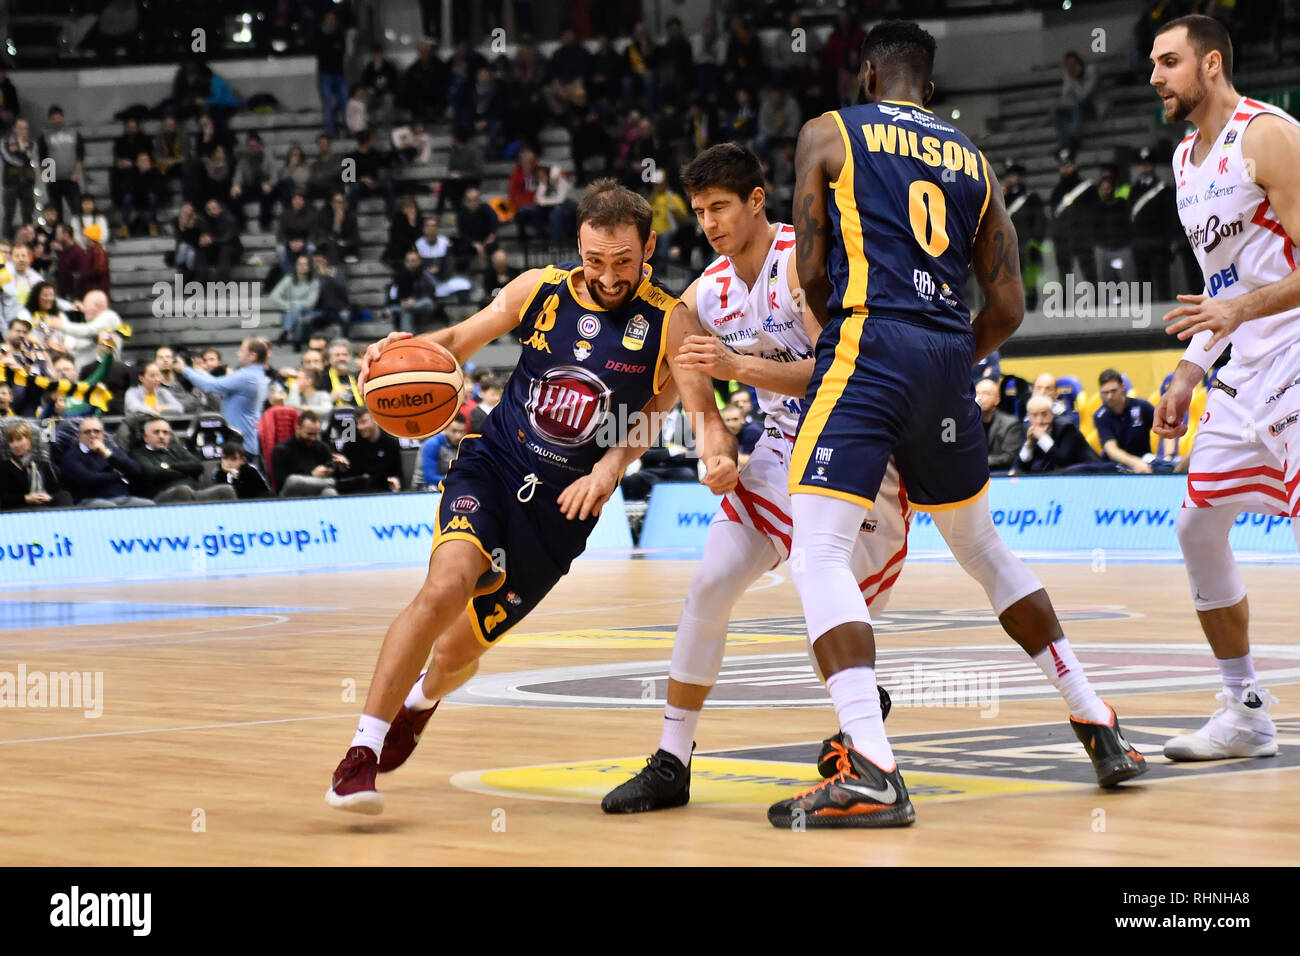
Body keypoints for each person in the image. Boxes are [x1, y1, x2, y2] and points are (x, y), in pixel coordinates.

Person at [767, 20, 1146, 831]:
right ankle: (1097, 721)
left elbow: (807, 265)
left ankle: (870, 765)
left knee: (819, 552)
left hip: (869, 341)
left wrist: (870, 346)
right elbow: (1008, 305)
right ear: (929, 90)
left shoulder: (829, 131)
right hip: (948, 356)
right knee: (983, 549)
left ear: (868, 75)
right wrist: (943, 356)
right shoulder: (973, 159)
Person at [326, 178, 740, 814]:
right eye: (595, 259)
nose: (607, 275)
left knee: (458, 651)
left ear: (648, 246)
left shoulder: (670, 318)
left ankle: (422, 700)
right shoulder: (540, 290)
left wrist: (632, 468)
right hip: (492, 463)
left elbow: (688, 409)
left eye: (623, 262)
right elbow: (458, 342)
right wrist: (399, 351)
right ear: (579, 244)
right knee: (446, 586)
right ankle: (361, 752)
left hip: (561, 510)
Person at [603, 143, 920, 814]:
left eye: (722, 207)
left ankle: (863, 735)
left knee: (830, 613)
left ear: (756, 200)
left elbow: (840, 372)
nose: (711, 224)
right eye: (699, 212)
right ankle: (672, 760)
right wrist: (709, 429)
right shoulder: (713, 286)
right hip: (779, 449)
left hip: (854, 443)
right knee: (711, 582)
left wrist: (736, 369)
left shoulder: (803, 262)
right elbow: (677, 320)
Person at [1150, 14, 1300, 761]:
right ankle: (1244, 710)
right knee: (1195, 526)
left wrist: (1238, 309)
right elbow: (1221, 286)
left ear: (1211, 65)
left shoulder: (1267, 135)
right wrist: (1186, 373)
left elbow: (1243, 295)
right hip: (1244, 372)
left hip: (1299, 356)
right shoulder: (1185, 161)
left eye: (1169, 62)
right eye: (1152, 62)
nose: (1155, 76)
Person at [176, 338, 269, 458]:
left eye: (242, 350)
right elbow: (215, 382)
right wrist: (198, 371)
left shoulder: (246, 376)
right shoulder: (256, 375)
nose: (238, 353)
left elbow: (211, 386)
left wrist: (185, 370)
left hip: (240, 446)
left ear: (252, 355)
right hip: (243, 443)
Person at [131, 417, 236, 503]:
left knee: (226, 490)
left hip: (195, 493)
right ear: (145, 436)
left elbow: (197, 466)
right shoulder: (138, 454)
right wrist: (186, 472)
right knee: (183, 490)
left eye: (165, 433)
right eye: (156, 432)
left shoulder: (177, 449)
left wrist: (170, 466)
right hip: (159, 498)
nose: (161, 436)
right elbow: (153, 474)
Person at [59, 416, 153, 507]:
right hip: (90, 500)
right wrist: (119, 475)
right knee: (110, 508)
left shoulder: (111, 449)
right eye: (87, 432)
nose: (93, 435)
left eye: (97, 431)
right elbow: (90, 479)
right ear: (80, 436)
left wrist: (107, 454)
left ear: (102, 434)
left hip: (122, 498)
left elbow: (135, 469)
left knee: (149, 505)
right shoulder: (71, 456)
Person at [1129, 145, 1182, 302]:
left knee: (1162, 282)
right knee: (1143, 283)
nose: (1145, 167)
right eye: (1142, 164)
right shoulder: (1134, 190)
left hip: (1159, 243)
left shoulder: (1164, 189)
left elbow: (1170, 217)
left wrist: (1171, 240)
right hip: (1140, 243)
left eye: (1148, 163)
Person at [1014, 394, 1100, 474]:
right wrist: (1029, 445)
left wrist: (1042, 438)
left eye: (1044, 414)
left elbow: (1062, 460)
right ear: (1029, 417)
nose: (1040, 420)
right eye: (1035, 415)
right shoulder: (1028, 429)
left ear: (1052, 414)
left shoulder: (1066, 427)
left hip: (1088, 472)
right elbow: (1022, 467)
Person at [1002, 162, 1047, 310]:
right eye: (1009, 176)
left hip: (1026, 245)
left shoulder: (1031, 197)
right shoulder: (1002, 198)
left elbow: (1040, 220)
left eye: (1014, 176)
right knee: (1007, 280)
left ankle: (1031, 307)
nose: (1011, 179)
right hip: (1006, 245)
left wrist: (1035, 241)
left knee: (1028, 280)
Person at [272, 409, 344, 497]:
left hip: (318, 490)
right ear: (298, 429)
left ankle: (335, 484)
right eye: (309, 434)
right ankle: (337, 484)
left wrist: (334, 469)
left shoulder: (321, 447)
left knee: (330, 492)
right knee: (293, 480)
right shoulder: (281, 450)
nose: (313, 438)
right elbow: (283, 484)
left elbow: (331, 464)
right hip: (292, 494)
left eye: (316, 434)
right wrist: (312, 475)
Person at [1093, 368, 1155, 472]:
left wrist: (1168, 455)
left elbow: (1165, 429)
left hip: (1145, 460)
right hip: (1116, 465)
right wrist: (1135, 463)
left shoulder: (1142, 406)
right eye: (1105, 392)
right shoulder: (1100, 416)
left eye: (1113, 391)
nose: (1109, 396)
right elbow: (1111, 450)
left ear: (1122, 387)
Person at [1, 422, 72, 510]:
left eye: (19, 440)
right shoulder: (4, 467)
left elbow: (55, 489)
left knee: (64, 495)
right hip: (20, 509)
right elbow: (4, 499)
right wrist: (27, 498)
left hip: (44, 503)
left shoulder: (42, 464)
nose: (15, 445)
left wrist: (48, 497)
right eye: (11, 441)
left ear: (29, 441)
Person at [38, 106, 84, 223]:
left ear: (63, 117)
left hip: (70, 176)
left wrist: (77, 173)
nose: (57, 120)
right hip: (53, 177)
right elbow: (42, 157)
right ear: (50, 120)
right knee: (56, 212)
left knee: (77, 209)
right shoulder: (45, 136)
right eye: (54, 118)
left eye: (58, 117)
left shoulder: (74, 133)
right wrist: (46, 177)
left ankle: (78, 233)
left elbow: (80, 155)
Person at [341, 408, 403, 492]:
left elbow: (397, 473)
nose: (359, 427)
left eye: (363, 422)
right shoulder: (351, 444)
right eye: (357, 423)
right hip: (357, 493)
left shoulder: (391, 443)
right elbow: (344, 477)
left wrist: (396, 481)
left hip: (384, 492)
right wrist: (342, 467)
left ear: (375, 420)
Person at [268, 253, 319, 348]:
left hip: (307, 311)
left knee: (298, 307)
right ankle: (297, 343)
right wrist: (287, 305)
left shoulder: (313, 282)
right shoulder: (288, 279)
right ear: (296, 266)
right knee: (298, 318)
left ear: (309, 266)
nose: (302, 267)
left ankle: (286, 331)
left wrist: (294, 303)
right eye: (300, 264)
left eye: (305, 264)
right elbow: (273, 296)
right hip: (289, 312)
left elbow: (311, 302)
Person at [1050, 51, 1100, 147]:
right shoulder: (1069, 75)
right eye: (1069, 65)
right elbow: (1065, 93)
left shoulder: (1092, 70)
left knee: (1076, 106)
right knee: (1056, 110)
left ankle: (1076, 137)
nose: (1072, 67)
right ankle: (1063, 140)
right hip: (1076, 105)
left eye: (1074, 64)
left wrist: (1074, 80)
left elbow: (1086, 93)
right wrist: (1070, 79)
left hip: (1093, 105)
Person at [976, 376, 1024, 473]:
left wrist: (977, 462)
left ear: (997, 399)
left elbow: (1008, 458)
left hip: (999, 474)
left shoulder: (1011, 424)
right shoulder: (967, 424)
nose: (980, 398)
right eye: (977, 393)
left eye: (986, 393)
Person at [389, 249, 438, 335]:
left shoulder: (425, 276)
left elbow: (431, 293)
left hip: (423, 304)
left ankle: (406, 338)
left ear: (419, 261)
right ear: (405, 262)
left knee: (426, 303)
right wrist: (402, 301)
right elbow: (393, 295)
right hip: (404, 306)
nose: (411, 264)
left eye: (413, 261)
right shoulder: (399, 277)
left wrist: (414, 300)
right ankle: (408, 337)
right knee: (406, 311)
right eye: (408, 261)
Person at [419, 412, 466, 487]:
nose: (458, 436)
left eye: (461, 432)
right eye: (454, 431)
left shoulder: (464, 444)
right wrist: (458, 481)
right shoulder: (432, 444)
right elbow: (429, 478)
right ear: (445, 428)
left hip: (452, 485)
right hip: (424, 489)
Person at [324, 338, 361, 406]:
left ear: (350, 357)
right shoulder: (322, 379)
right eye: (337, 355)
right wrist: (330, 399)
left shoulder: (358, 377)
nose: (341, 358)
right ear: (329, 359)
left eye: (345, 354)